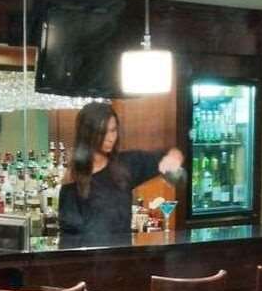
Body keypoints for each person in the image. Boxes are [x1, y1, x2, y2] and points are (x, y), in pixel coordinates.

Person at [54, 101, 182, 245]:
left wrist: (174, 157)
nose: (110, 138)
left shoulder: (126, 164)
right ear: (87, 134)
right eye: (103, 132)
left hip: (123, 256)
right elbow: (68, 239)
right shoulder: (73, 181)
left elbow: (169, 154)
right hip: (90, 257)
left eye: (113, 130)